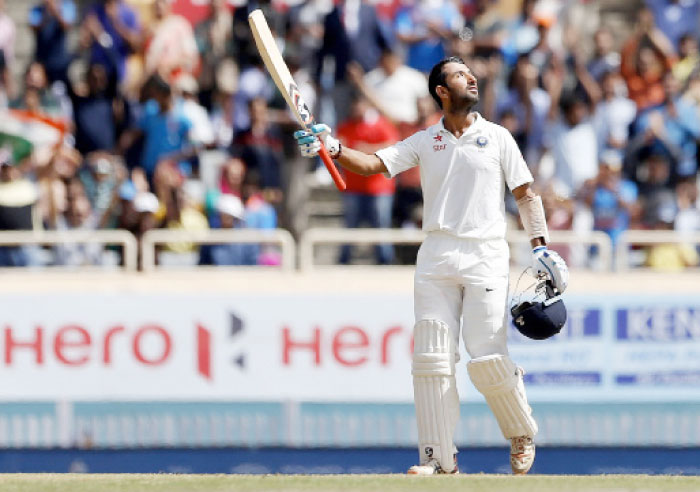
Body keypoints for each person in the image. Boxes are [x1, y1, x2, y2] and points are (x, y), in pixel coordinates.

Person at [294, 57, 569, 475]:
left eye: (471, 73)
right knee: (431, 358)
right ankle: (439, 458)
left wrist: (541, 247)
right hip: (436, 253)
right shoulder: (426, 141)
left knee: (486, 356)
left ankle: (520, 431)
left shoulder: (496, 137)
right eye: (460, 75)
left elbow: (526, 195)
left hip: (485, 252)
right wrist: (332, 148)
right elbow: (372, 164)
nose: (472, 78)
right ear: (441, 90)